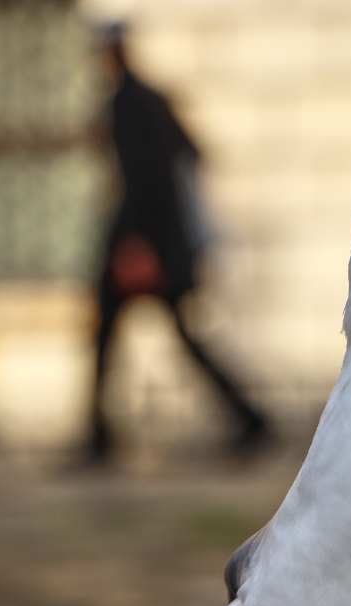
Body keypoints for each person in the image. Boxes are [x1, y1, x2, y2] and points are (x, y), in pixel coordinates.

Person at [85, 24, 268, 467]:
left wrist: (134, 246)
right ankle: (248, 421)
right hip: (168, 245)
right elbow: (192, 156)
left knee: (119, 335)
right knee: (145, 336)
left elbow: (142, 183)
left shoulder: (126, 105)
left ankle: (250, 421)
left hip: (143, 248)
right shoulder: (155, 100)